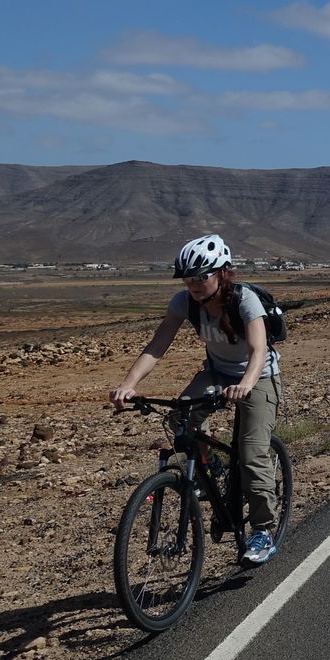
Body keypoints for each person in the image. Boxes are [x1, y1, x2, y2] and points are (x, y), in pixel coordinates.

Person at [108, 234, 283, 565]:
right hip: (216, 373)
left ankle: (262, 530)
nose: (194, 285)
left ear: (222, 273)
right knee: (180, 419)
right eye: (188, 279)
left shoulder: (244, 300)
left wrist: (246, 384)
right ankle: (211, 468)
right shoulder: (184, 302)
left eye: (201, 277)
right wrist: (128, 385)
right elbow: (157, 345)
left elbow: (259, 349)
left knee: (251, 454)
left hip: (258, 377)